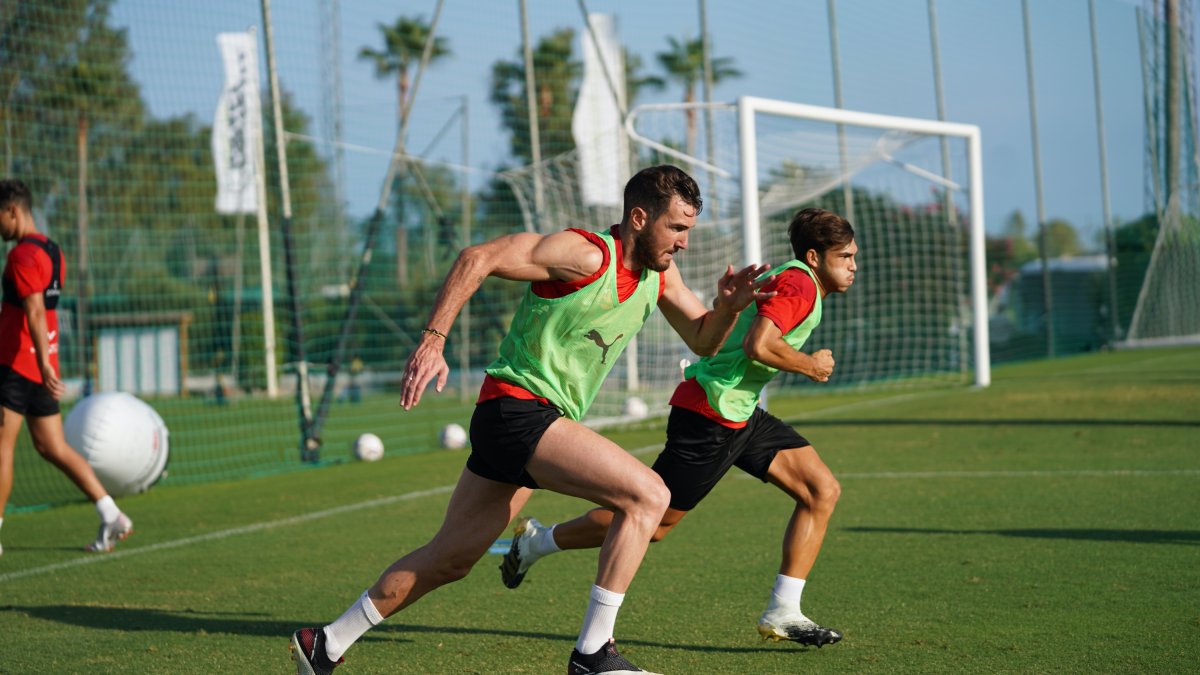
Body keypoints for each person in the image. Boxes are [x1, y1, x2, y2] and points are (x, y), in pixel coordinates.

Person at [290, 165, 774, 675]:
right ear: (638, 217)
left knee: (451, 559)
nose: (684, 243)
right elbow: (478, 258)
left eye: (689, 230)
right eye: (677, 228)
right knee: (650, 495)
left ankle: (325, 642)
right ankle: (593, 653)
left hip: (523, 424)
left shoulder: (659, 276)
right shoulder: (585, 254)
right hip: (518, 411)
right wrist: (433, 340)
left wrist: (727, 307)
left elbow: (702, 339)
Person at [499, 207, 858, 648]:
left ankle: (784, 610)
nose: (853, 266)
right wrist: (811, 365)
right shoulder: (800, 282)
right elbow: (759, 344)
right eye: (845, 257)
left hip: (739, 412)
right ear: (815, 257)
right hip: (709, 415)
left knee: (820, 490)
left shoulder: (797, 278)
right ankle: (537, 543)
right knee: (653, 523)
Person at [0, 179, 134, 556]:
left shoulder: (21, 256)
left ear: (13, 210)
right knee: (51, 446)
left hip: (18, 365)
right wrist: (48, 360)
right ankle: (111, 513)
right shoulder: (54, 251)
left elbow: (36, 310)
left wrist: (40, 360)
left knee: (2, 448)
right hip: (45, 365)